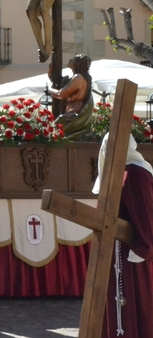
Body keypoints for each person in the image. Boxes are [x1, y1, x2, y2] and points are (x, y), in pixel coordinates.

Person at [94, 132, 153, 338]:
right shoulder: (118, 173)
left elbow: (146, 215)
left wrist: (141, 249)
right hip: (113, 253)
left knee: (129, 308)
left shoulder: (135, 173)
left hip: (127, 256)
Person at [46, 54, 94, 139]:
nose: (70, 60)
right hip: (73, 108)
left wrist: (49, 89)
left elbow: (60, 94)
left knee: (55, 130)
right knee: (56, 132)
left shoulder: (78, 77)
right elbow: (64, 89)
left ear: (77, 63)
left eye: (73, 59)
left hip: (74, 110)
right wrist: (52, 78)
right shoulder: (83, 77)